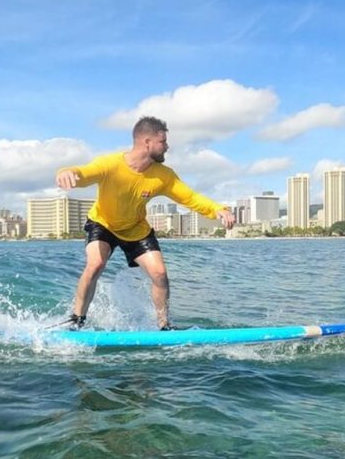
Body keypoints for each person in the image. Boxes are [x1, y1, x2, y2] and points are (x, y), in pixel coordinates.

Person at [55, 116, 235, 330]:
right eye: (163, 142)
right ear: (147, 142)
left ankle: (164, 326)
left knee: (159, 274)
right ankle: (77, 319)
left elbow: (190, 197)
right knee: (95, 264)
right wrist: (66, 172)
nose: (167, 146)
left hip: (136, 229)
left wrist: (217, 209)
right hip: (102, 224)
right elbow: (83, 173)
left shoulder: (163, 176)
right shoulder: (110, 164)